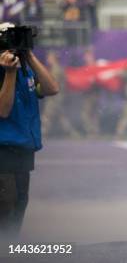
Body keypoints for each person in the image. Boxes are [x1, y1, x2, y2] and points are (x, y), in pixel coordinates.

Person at [0, 24, 60, 241]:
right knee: (6, 205)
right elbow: (3, 110)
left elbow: (52, 88)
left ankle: (10, 248)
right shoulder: (5, 70)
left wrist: (29, 55)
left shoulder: (26, 69)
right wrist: (9, 73)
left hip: (23, 148)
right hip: (3, 148)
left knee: (20, 202)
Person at [40, 51, 76, 138]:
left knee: (47, 115)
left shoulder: (56, 70)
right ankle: (73, 134)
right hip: (57, 97)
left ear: (53, 58)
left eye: (49, 57)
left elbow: (53, 85)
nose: (47, 59)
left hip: (55, 97)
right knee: (61, 116)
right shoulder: (57, 68)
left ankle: (42, 134)